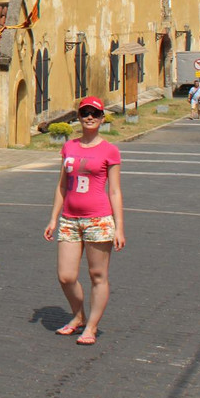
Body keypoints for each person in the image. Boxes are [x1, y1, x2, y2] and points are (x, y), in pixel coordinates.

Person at [43, 96, 125, 346]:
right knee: (66, 276)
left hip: (98, 220)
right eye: (84, 112)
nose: (89, 117)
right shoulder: (69, 147)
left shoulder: (110, 150)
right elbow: (62, 185)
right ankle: (78, 316)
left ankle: (92, 326)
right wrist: (53, 218)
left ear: (102, 118)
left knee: (97, 274)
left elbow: (115, 191)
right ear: (78, 117)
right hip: (69, 219)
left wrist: (119, 227)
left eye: (95, 113)